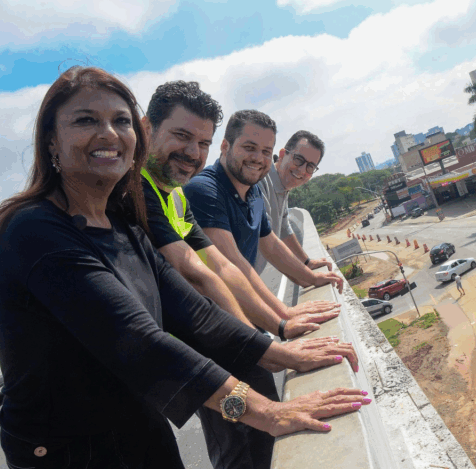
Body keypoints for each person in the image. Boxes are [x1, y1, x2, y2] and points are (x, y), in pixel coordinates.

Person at [0, 67, 370, 469]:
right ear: (50, 140)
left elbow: (193, 312)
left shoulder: (123, 224)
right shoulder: (34, 230)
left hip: (140, 425)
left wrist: (280, 352)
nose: (109, 134)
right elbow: (139, 342)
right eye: (86, 120)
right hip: (68, 460)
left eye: (120, 121)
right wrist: (266, 411)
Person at [140, 81, 346, 469]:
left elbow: (220, 267)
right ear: (147, 129)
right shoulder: (141, 191)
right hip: (191, 355)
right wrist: (266, 342)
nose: (192, 151)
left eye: (201, 142)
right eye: (181, 136)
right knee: (235, 437)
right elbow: (196, 271)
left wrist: (266, 334)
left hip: (218, 335)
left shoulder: (175, 195)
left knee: (265, 433)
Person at [141, 81, 338, 339]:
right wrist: (281, 322)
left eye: (265, 151)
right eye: (249, 148)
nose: (257, 158)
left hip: (234, 310)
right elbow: (223, 266)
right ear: (225, 147)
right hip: (206, 324)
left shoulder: (249, 190)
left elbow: (269, 242)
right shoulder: (201, 189)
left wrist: (309, 278)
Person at [256, 130, 332, 274]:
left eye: (310, 166)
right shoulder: (260, 181)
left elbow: (284, 228)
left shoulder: (281, 185)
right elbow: (268, 242)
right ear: (282, 154)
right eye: (298, 159)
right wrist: (309, 277)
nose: (302, 170)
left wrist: (307, 262)